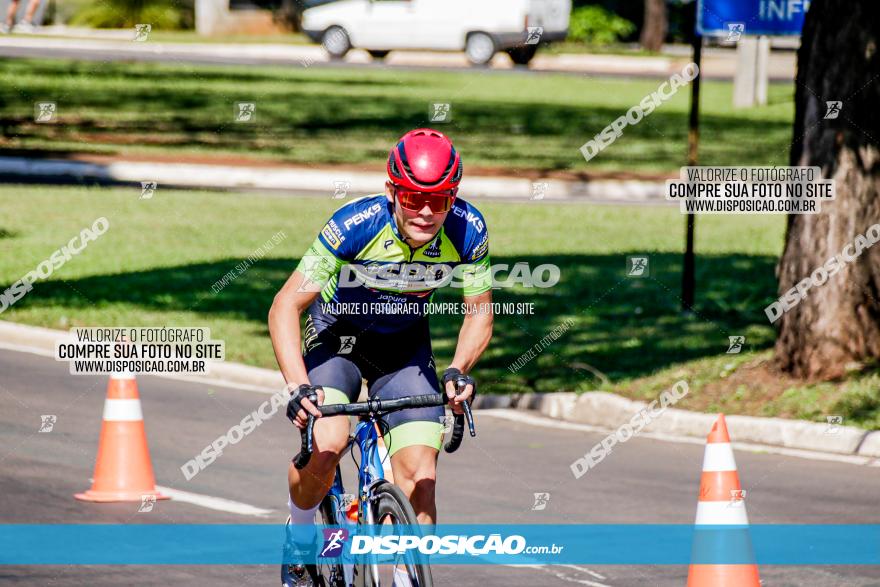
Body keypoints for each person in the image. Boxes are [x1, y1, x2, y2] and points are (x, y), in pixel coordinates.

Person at [269, 128, 493, 586]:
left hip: (403, 349)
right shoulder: (354, 225)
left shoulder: (469, 229)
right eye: (413, 198)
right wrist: (297, 387)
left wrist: (458, 371)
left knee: (421, 475)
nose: (427, 211)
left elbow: (479, 311)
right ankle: (302, 532)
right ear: (393, 191)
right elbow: (285, 305)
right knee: (329, 442)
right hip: (338, 342)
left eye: (441, 199)